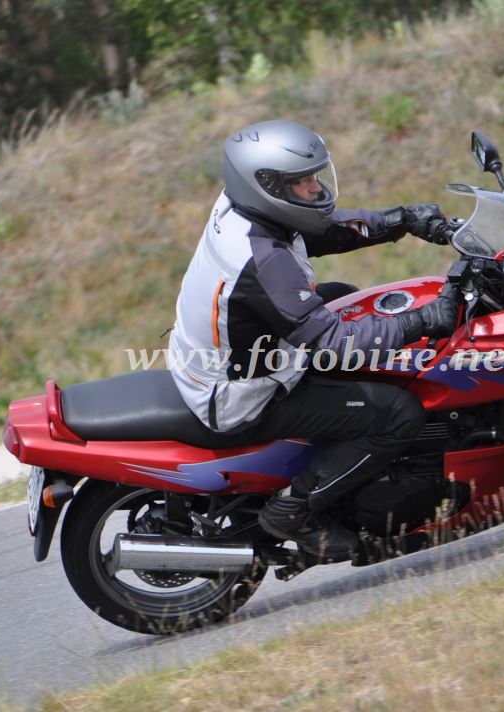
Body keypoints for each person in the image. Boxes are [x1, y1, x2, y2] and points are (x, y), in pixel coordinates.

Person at [168, 119, 459, 558]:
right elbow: (335, 344)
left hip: (228, 357)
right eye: (302, 182)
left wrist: (399, 221)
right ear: (267, 187)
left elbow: (321, 229)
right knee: (398, 413)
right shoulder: (261, 262)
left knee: (346, 297)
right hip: (240, 395)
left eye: (314, 176)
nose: (315, 188)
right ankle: (295, 510)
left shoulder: (243, 209)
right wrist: (423, 320)